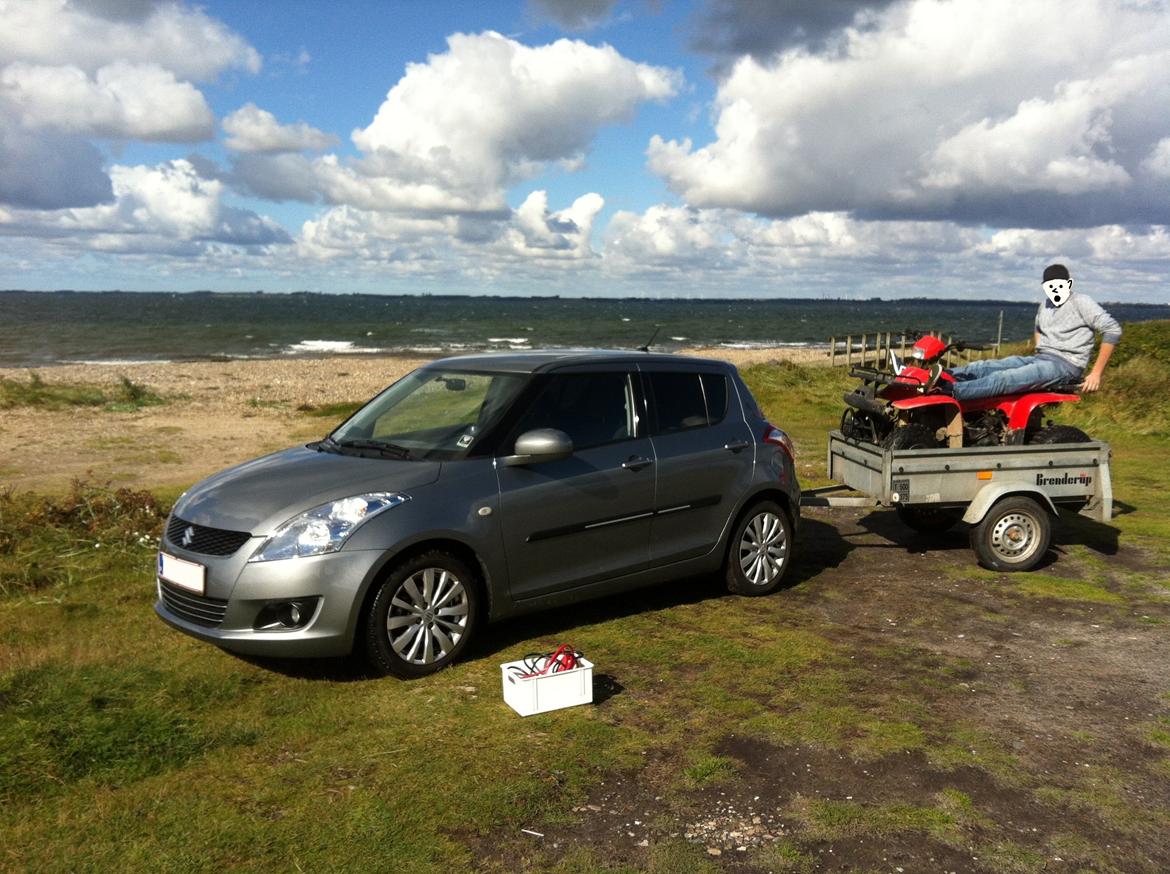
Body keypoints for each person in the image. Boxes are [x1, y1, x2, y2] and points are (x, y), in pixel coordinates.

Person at [938, 264, 1121, 401]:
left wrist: (1096, 373)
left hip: (1066, 365)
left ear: (1068, 284)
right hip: (1042, 358)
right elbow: (1038, 328)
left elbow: (1112, 329)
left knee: (1004, 378)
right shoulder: (1045, 304)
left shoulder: (1081, 302)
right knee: (984, 366)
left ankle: (948, 392)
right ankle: (940, 377)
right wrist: (1040, 347)